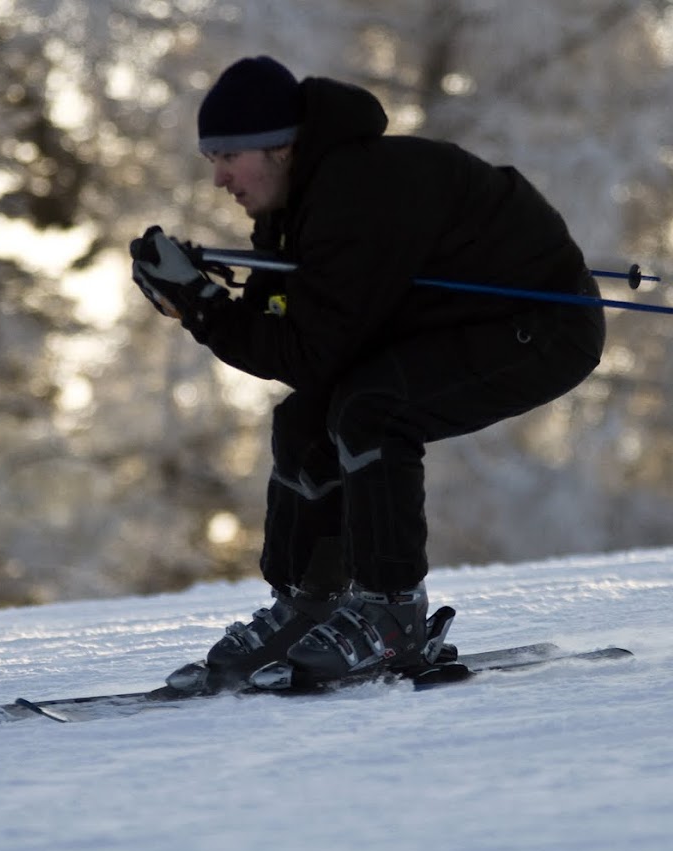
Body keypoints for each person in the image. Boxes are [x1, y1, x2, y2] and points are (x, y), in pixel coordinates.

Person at [130, 55, 605, 689]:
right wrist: (202, 297)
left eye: (227, 157)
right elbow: (289, 332)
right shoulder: (299, 200)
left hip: (544, 326)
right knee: (305, 420)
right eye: (210, 158)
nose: (218, 179)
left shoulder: (358, 189)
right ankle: (309, 604)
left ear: (279, 147)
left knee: (372, 409)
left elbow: (304, 350)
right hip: (448, 326)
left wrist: (202, 303)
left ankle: (391, 612)